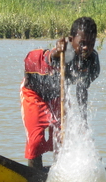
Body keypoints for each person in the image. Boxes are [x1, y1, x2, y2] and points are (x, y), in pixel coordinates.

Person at [20, 16, 100, 169]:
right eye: (82, 43)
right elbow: (50, 58)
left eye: (91, 44)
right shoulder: (65, 53)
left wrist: (83, 121)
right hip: (34, 93)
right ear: (71, 40)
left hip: (58, 95)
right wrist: (57, 52)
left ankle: (58, 172)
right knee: (36, 141)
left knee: (62, 139)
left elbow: (82, 90)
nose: (86, 48)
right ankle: (34, 175)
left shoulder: (92, 63)